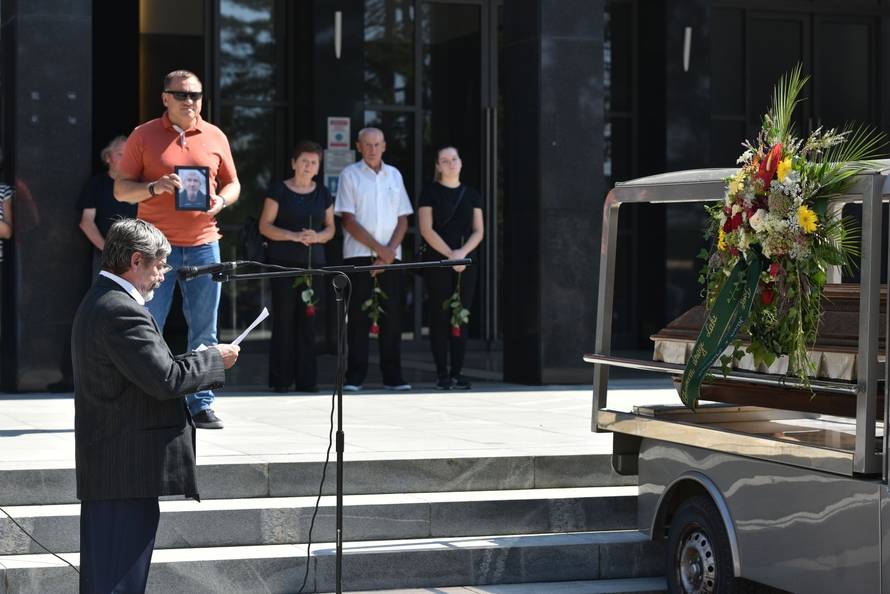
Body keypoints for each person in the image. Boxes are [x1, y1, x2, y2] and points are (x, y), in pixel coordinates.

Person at [72, 218, 240, 594]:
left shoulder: (104, 300)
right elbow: (166, 380)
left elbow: (150, 370)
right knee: (117, 583)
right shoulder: (120, 309)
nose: (164, 276)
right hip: (123, 471)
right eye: (160, 265)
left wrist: (197, 359)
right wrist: (213, 359)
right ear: (136, 260)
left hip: (117, 470)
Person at [115, 69, 240, 429]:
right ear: (165, 98)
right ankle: (146, 400)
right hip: (155, 248)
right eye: (182, 94)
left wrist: (221, 201)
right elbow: (121, 190)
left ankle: (201, 404)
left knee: (204, 329)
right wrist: (154, 187)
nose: (190, 101)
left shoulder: (215, 135)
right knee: (147, 325)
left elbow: (234, 184)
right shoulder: (143, 135)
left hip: (204, 244)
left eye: (195, 95)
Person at [335, 127, 414, 392]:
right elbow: (348, 220)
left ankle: (393, 377)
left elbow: (403, 218)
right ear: (358, 146)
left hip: (391, 258)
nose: (372, 149)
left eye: (377, 144)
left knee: (392, 319)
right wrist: (381, 250)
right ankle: (355, 377)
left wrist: (388, 253)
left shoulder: (395, 175)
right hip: (360, 257)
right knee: (358, 319)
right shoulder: (349, 174)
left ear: (384, 146)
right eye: (367, 144)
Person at [259, 141, 334, 392]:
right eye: (304, 161)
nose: (308, 166)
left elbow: (331, 229)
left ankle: (307, 381)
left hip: (313, 266)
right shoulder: (279, 190)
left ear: (318, 167)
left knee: (309, 322)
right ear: (293, 163)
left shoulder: (323, 193)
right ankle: (281, 380)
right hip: (283, 265)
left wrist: (317, 237)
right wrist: (292, 236)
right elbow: (265, 226)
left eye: (314, 163)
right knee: (284, 321)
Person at [418, 146, 484, 390]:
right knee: (439, 316)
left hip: (466, 262)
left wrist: (462, 254)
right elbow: (426, 229)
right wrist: (450, 256)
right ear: (438, 166)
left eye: (454, 158)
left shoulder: (472, 194)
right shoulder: (429, 192)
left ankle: (458, 372)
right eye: (445, 160)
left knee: (461, 315)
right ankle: (442, 373)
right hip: (439, 262)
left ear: (461, 162)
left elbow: (479, 231)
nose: (451, 163)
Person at [76, 135, 137, 272]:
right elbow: (86, 223)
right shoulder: (96, 184)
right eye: (120, 154)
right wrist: (108, 251)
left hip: (137, 257)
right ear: (108, 157)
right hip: (106, 257)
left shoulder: (139, 185)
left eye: (129, 154)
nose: (125, 159)